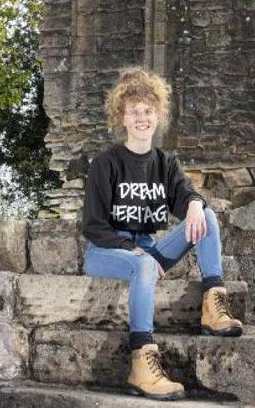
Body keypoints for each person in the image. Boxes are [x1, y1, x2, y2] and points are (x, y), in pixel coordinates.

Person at [80, 66, 243, 401]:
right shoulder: (105, 163)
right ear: (121, 118)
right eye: (134, 112)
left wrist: (195, 204)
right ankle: (142, 361)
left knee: (207, 216)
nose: (143, 118)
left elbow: (185, 196)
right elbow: (94, 226)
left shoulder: (165, 163)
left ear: (158, 115)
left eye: (149, 111)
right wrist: (131, 249)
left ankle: (213, 305)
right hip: (107, 252)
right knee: (141, 264)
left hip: (147, 250)